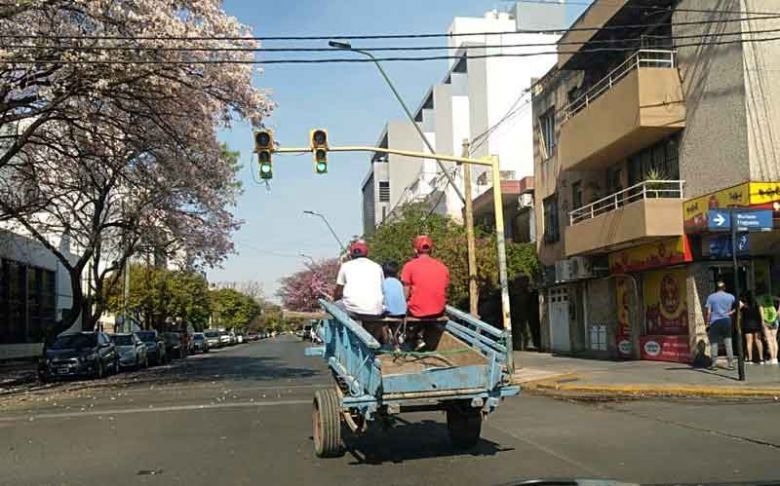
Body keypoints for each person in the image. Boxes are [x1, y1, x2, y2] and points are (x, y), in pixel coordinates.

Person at [400, 235, 450, 318]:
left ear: (415, 250)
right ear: (431, 250)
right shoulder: (443, 267)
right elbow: (445, 289)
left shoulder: (409, 266)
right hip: (438, 311)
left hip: (416, 312)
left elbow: (405, 293)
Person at [333, 241, 384, 318]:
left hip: (353, 310)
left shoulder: (345, 266)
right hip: (376, 310)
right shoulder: (377, 266)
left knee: (334, 306)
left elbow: (338, 291)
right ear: (366, 254)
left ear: (351, 255)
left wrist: (335, 299)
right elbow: (382, 289)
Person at [704, 281, 736, 370]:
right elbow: (739, 305)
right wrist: (731, 312)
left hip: (715, 322)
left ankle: (713, 364)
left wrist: (707, 323)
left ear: (716, 288)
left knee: (714, 343)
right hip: (726, 320)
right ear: (724, 288)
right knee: (728, 342)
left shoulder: (711, 297)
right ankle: (731, 364)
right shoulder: (731, 296)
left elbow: (709, 312)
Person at [740, 293, 764, 365]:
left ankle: (750, 359)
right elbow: (761, 314)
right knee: (758, 341)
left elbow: (740, 316)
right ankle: (761, 358)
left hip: (747, 325)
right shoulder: (757, 305)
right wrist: (762, 322)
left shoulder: (744, 306)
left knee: (749, 342)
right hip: (756, 324)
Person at [757, 292, 779, 365]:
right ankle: (775, 358)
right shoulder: (773, 298)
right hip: (775, 319)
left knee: (769, 339)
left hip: (767, 320)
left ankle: (772, 358)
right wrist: (778, 312)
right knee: (774, 339)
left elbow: (761, 310)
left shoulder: (760, 299)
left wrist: (762, 321)